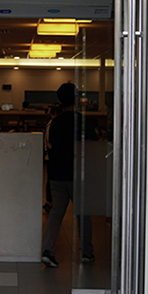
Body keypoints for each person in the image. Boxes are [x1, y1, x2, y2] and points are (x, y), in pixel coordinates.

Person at [40, 82, 95, 268]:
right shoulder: (84, 121)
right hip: (78, 175)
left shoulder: (54, 122)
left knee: (56, 213)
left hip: (57, 175)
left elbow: (50, 147)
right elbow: (92, 147)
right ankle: (86, 252)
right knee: (83, 215)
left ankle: (48, 250)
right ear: (77, 99)